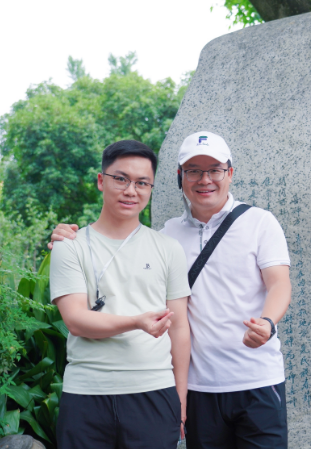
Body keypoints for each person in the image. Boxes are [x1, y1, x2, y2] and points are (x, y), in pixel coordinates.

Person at [49, 131, 293, 449]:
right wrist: (66, 237)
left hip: (257, 379)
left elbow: (279, 283)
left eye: (215, 170)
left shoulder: (260, 222)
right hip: (200, 387)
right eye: (193, 171)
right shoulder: (170, 235)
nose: (205, 179)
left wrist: (268, 322)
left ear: (230, 173)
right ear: (180, 177)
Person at [49, 140, 191, 449]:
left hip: (154, 392)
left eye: (142, 183)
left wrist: (180, 397)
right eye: (121, 179)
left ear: (151, 188)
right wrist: (137, 322)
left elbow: (180, 327)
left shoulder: (168, 249)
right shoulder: (69, 246)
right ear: (102, 181)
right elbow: (75, 320)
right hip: (86, 395)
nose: (131, 191)